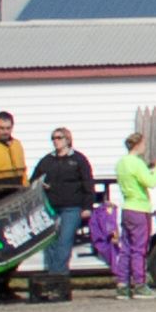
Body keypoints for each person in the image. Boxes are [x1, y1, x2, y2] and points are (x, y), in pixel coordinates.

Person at [31, 126, 98, 297]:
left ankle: (57, 280)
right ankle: (55, 279)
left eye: (59, 137)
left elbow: (88, 183)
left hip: (72, 207)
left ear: (67, 140)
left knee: (64, 242)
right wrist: (40, 185)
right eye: (53, 138)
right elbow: (33, 181)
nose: (55, 141)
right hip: (51, 208)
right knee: (50, 243)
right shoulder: (47, 161)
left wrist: (87, 207)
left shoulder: (78, 159)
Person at [104, 127, 156, 297]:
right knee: (139, 248)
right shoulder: (136, 163)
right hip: (139, 208)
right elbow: (151, 181)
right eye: (143, 143)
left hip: (127, 207)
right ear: (137, 145)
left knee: (126, 247)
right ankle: (139, 284)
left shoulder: (122, 163)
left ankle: (122, 284)